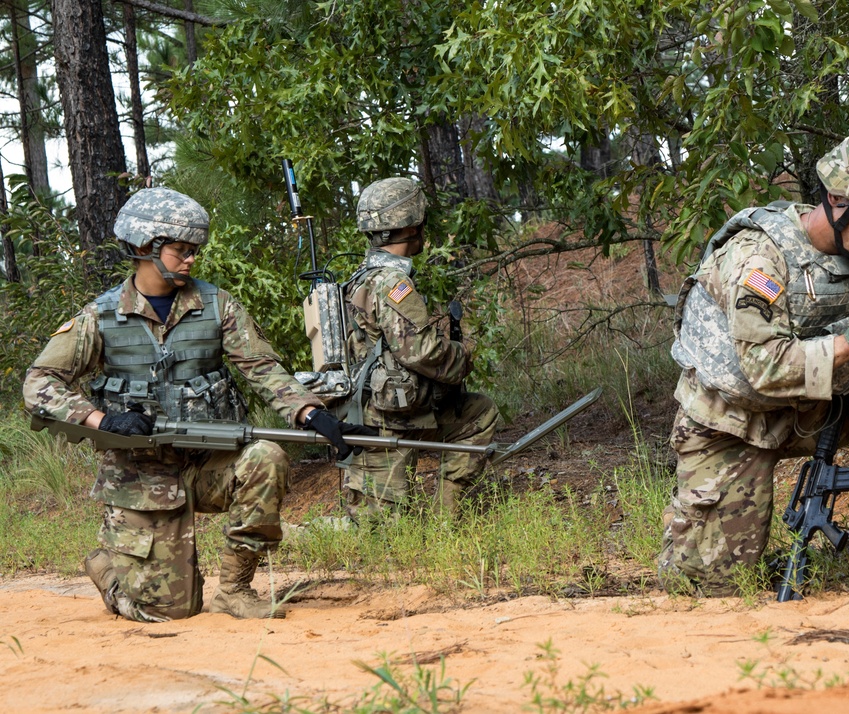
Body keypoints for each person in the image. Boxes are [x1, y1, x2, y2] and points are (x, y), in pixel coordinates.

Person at [23, 187, 373, 622]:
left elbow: (262, 368)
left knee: (266, 458)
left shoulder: (216, 304)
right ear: (144, 247)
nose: (191, 259)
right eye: (180, 250)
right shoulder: (101, 316)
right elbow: (40, 382)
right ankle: (109, 568)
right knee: (169, 612)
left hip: (211, 461)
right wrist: (102, 418)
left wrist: (310, 412)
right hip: (142, 475)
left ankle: (236, 591)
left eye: (195, 250)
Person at [659, 132, 849, 596]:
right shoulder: (760, 257)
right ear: (835, 199)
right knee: (711, 592)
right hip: (731, 425)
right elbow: (764, 369)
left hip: (809, 411)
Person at [339, 177, 498, 519]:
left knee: (477, 413)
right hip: (388, 417)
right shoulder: (392, 282)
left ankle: (445, 521)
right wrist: (463, 355)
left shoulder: (361, 276)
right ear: (412, 226)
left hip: (388, 408)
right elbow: (422, 352)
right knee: (378, 534)